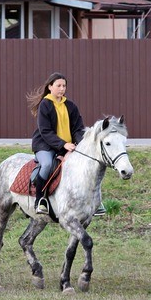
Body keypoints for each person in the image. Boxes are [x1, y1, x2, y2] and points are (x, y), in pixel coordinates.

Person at [26, 72, 106, 216]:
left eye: (64, 86)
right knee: (47, 165)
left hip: (67, 146)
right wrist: (63, 144)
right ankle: (40, 200)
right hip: (45, 145)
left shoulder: (70, 106)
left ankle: (95, 202)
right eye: (58, 85)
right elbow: (45, 131)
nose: (62, 88)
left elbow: (78, 129)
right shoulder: (45, 104)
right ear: (50, 87)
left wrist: (81, 144)